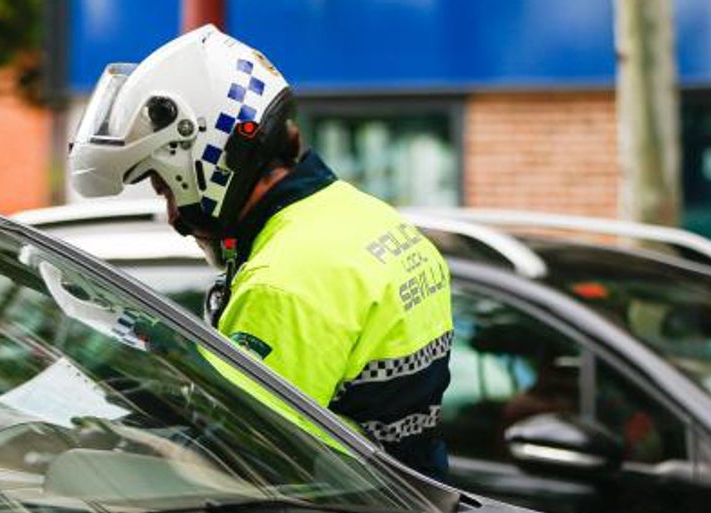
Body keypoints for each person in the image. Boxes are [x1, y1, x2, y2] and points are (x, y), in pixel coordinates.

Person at [67, 25, 453, 478]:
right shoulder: (364, 217)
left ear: (203, 155)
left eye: (164, 186)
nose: (172, 215)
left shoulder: (282, 281)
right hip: (409, 490)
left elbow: (244, 460)